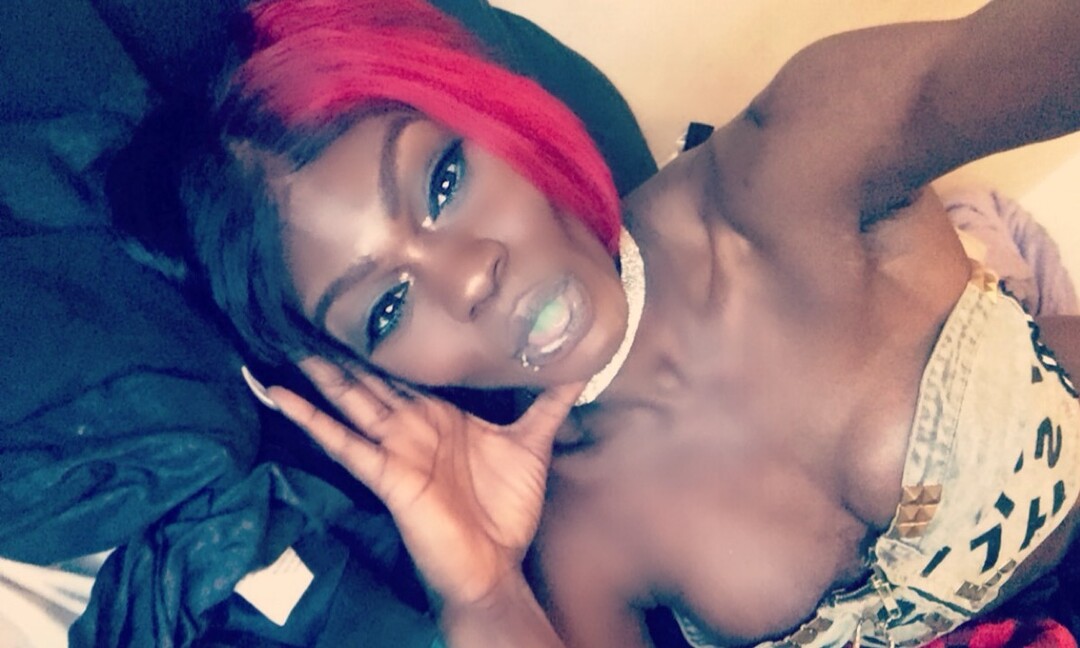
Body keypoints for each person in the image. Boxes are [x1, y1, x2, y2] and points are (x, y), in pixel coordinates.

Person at [172, 0, 1080, 645]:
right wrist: (484, 596)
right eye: (387, 306)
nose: (469, 276)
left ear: (495, 112)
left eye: (442, 181)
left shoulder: (799, 163)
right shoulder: (570, 532)